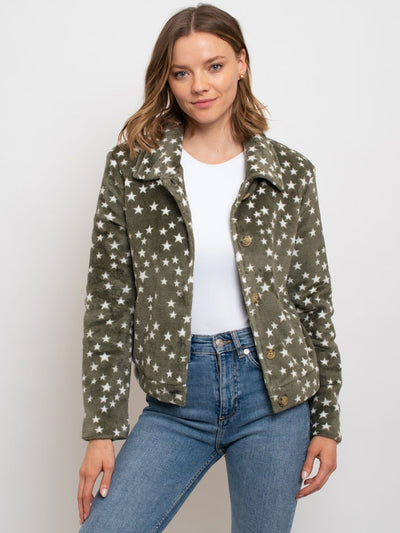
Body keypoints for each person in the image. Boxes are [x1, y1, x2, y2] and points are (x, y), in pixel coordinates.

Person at [77, 3, 343, 532]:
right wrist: (101, 429)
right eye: (182, 72)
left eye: (214, 66)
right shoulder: (133, 167)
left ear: (241, 63)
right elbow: (109, 301)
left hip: (274, 396)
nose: (199, 85)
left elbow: (312, 298)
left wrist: (327, 422)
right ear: (167, 79)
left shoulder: (289, 172)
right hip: (178, 400)